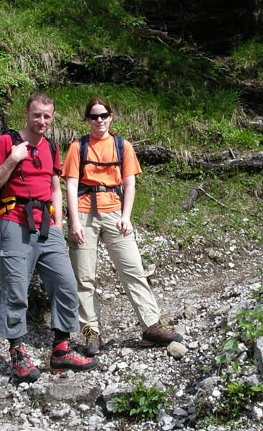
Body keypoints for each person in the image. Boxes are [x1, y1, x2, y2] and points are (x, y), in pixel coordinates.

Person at [0, 92, 98, 383]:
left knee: (66, 284)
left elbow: (55, 185)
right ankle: (17, 353)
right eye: (37, 115)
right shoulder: (6, 142)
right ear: (26, 113)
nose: (42, 121)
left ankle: (60, 349)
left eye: (47, 116)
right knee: (15, 289)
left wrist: (59, 223)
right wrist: (12, 159)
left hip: (47, 226)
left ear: (53, 117)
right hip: (13, 222)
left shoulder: (50, 146)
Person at [62, 97, 183, 356]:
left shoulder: (122, 146)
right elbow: (70, 185)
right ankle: (90, 334)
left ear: (111, 116)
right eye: (94, 116)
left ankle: (151, 325)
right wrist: (73, 221)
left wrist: (126, 216)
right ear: (87, 120)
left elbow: (130, 183)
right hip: (84, 214)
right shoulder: (77, 147)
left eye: (103, 115)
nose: (99, 120)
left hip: (115, 213)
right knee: (84, 278)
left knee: (133, 269)